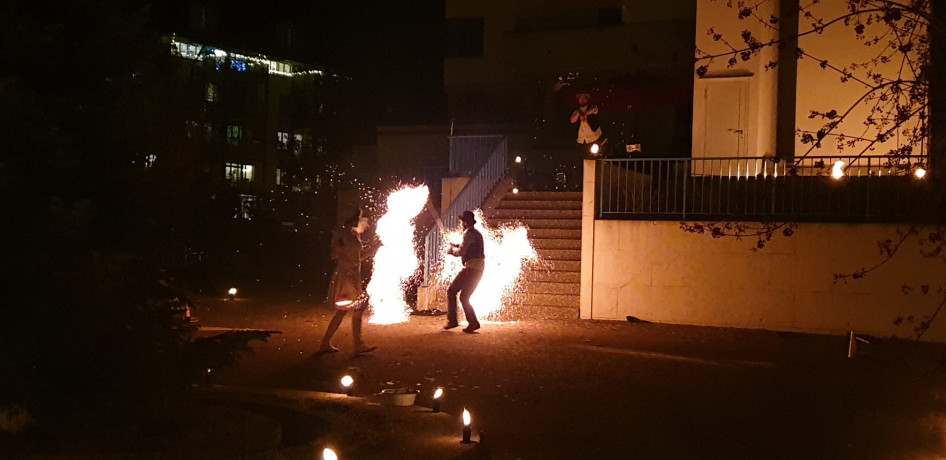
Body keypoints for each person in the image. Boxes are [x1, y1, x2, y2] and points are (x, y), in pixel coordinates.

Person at [319, 208, 377, 354]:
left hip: (352, 276)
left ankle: (327, 343)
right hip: (347, 277)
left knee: (344, 311)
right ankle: (357, 344)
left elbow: (359, 257)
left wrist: (375, 247)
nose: (363, 222)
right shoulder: (344, 234)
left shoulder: (353, 234)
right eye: (361, 218)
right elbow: (336, 254)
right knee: (356, 308)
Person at [444, 210, 485, 333]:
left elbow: (462, 252)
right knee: (464, 297)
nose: (461, 223)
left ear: (465, 222)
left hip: (471, 269)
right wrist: (457, 245)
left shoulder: (468, 234)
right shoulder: (476, 233)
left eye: (462, 221)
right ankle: (473, 323)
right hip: (478, 269)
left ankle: (452, 321)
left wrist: (452, 251)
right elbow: (468, 247)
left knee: (451, 291)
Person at [567, 92, 603, 188]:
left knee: (592, 161)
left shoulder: (592, 107)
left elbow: (593, 110)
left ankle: (593, 183)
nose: (582, 100)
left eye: (583, 98)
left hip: (592, 139)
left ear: (587, 100)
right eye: (580, 99)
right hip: (581, 140)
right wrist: (578, 114)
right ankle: (578, 184)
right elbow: (572, 120)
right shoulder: (577, 111)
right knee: (578, 163)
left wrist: (585, 114)